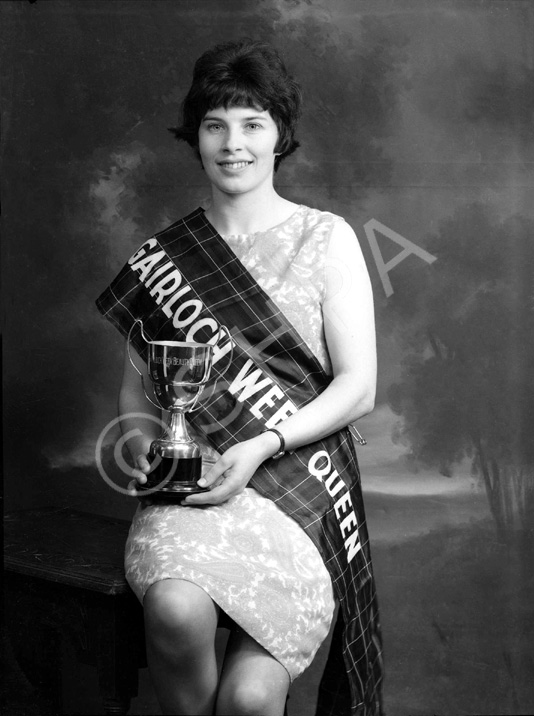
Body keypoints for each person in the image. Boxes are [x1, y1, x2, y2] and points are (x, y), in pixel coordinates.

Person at [96, 39, 382, 716]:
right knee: (173, 609)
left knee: (253, 699)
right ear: (195, 135)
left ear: (280, 135)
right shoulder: (165, 258)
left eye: (253, 123)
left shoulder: (326, 237)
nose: (233, 144)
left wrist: (264, 442)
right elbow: (138, 389)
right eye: (216, 124)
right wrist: (142, 438)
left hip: (297, 494)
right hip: (192, 495)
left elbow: (359, 387)